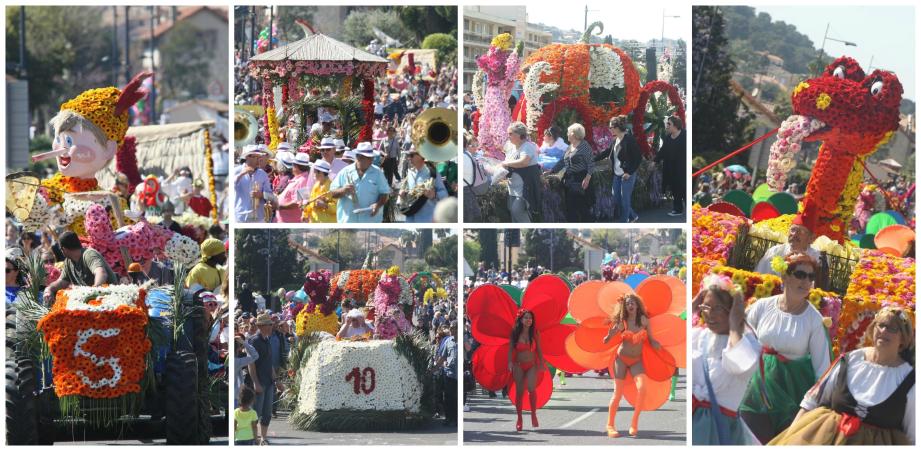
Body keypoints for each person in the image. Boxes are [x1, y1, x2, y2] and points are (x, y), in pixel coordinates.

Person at [769, 307, 915, 445]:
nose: (883, 331)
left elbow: (914, 434)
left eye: (892, 328)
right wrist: (789, 438)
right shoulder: (850, 360)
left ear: (903, 337)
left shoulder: (909, 379)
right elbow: (811, 401)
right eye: (880, 325)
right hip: (826, 438)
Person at [739, 253, 831, 444]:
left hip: (792, 394)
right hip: (757, 389)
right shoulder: (762, 306)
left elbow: (822, 368)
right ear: (785, 276)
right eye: (800, 274)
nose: (806, 281)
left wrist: (813, 408)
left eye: (811, 277)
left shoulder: (814, 320)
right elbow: (741, 340)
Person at [690, 275, 760, 445]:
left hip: (720, 428)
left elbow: (743, 366)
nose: (709, 314)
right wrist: (693, 306)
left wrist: (735, 326)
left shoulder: (747, 342)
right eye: (706, 306)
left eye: (718, 308)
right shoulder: (698, 336)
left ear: (732, 311)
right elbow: (671, 340)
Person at [602, 294, 662, 437]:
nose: (630, 306)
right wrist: (610, 335)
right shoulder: (622, 323)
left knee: (642, 389)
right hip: (621, 360)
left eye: (633, 303)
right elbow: (605, 341)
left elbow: (652, 340)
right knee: (617, 394)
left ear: (637, 305)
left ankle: (634, 423)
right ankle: (610, 425)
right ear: (625, 306)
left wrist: (657, 345)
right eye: (628, 303)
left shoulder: (644, 321)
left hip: (637, 360)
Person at [43, 231, 117, 304]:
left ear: (64, 249)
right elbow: (62, 282)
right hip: (92, 302)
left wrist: (95, 290)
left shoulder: (89, 254)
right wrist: (49, 289)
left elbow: (101, 273)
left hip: (110, 299)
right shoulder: (68, 262)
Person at [330, 142, 390, 223]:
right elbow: (332, 193)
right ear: (358, 157)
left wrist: (378, 205)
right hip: (348, 222)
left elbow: (385, 194)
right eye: (368, 158)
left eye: (372, 157)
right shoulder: (345, 172)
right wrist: (343, 190)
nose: (372, 160)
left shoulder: (377, 173)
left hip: (370, 223)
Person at [596, 115, 641, 222]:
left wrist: (629, 172)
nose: (609, 129)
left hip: (627, 175)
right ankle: (633, 216)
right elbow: (606, 152)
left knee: (625, 200)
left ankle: (624, 221)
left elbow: (638, 158)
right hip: (617, 174)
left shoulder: (629, 140)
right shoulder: (615, 140)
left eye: (610, 127)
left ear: (616, 128)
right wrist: (592, 159)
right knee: (616, 198)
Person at [548, 123, 595, 222]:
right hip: (569, 179)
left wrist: (587, 179)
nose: (567, 134)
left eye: (568, 132)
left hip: (580, 180)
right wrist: (551, 171)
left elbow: (591, 164)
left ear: (573, 134)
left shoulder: (584, 146)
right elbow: (562, 161)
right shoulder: (570, 146)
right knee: (570, 207)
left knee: (582, 207)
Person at [507, 309, 545, 431]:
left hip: (531, 365)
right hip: (518, 365)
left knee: (531, 389)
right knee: (519, 392)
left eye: (530, 318)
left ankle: (533, 414)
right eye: (526, 318)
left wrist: (542, 363)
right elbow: (510, 349)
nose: (529, 320)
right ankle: (519, 418)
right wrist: (509, 362)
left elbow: (538, 349)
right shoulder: (515, 333)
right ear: (521, 320)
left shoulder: (535, 333)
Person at [247, 313, 280, 444]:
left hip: (269, 382)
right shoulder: (254, 341)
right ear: (261, 326)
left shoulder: (267, 340)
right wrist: (255, 383)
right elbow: (251, 363)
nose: (271, 326)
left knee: (267, 414)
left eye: (271, 324)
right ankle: (253, 439)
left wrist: (276, 380)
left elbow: (269, 363)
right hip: (259, 382)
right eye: (269, 324)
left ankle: (263, 439)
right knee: (256, 413)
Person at [501, 122, 542, 223]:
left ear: (519, 135)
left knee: (517, 211)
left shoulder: (527, 146)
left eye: (510, 134)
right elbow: (508, 165)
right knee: (513, 212)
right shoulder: (511, 147)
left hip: (524, 188)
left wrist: (505, 163)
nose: (508, 136)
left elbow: (524, 162)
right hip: (512, 187)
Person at [754, 215, 821, 276]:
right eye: (793, 230)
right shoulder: (775, 251)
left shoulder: (818, 257)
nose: (794, 234)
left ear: (811, 239)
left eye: (801, 231)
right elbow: (760, 276)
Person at [400, 147, 448, 223]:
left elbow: (445, 195)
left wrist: (434, 195)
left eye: (411, 155)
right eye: (408, 155)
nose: (409, 158)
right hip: (410, 218)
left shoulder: (432, 173)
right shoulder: (409, 173)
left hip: (427, 219)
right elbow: (406, 192)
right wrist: (403, 194)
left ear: (421, 156)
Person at [656, 116, 686, 216]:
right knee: (675, 188)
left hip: (683, 168)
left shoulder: (685, 136)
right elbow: (663, 151)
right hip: (671, 168)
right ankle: (678, 209)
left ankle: (690, 210)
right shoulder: (668, 137)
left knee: (684, 188)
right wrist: (655, 161)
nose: (667, 126)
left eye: (669, 124)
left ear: (676, 125)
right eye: (667, 124)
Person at [234, 145, 273, 222]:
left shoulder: (263, 174)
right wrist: (242, 174)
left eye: (259, 157)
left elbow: (270, 196)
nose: (259, 160)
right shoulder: (236, 171)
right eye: (256, 157)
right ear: (248, 157)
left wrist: (261, 195)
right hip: (240, 217)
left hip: (258, 217)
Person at [275, 153, 312, 223]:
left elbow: (298, 204)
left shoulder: (303, 180)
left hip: (290, 221)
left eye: (293, 165)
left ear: (296, 166)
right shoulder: (299, 178)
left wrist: (280, 206)